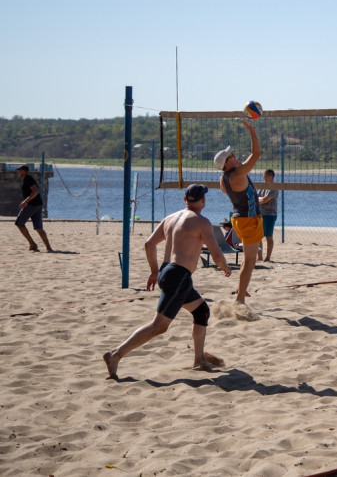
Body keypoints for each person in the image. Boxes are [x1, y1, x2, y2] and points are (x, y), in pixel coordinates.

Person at [102, 184, 232, 379]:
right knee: (159, 326)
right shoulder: (202, 222)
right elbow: (216, 253)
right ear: (203, 201)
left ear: (184, 199)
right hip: (178, 276)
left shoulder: (170, 218)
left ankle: (199, 360)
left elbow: (149, 244)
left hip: (168, 272)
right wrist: (225, 267)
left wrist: (154, 271)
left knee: (201, 311)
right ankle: (115, 354)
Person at [215, 119, 263, 303]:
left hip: (239, 219)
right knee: (250, 261)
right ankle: (240, 298)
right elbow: (256, 153)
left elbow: (233, 191)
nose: (235, 155)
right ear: (227, 164)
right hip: (248, 220)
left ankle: (241, 288)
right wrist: (251, 130)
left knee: (247, 258)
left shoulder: (224, 178)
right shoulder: (238, 174)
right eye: (231, 156)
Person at [15, 165, 53, 252]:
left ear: (24, 171)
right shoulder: (27, 179)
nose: (18, 172)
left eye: (19, 170)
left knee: (19, 223)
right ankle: (48, 247)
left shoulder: (28, 179)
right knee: (38, 227)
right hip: (38, 205)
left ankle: (33, 244)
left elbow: (36, 191)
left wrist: (25, 201)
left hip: (32, 205)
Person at [257, 169, 279, 262]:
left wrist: (259, 199)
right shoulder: (263, 186)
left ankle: (268, 258)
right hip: (260, 214)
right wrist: (259, 199)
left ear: (270, 176)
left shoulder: (274, 187)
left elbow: (264, 200)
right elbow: (256, 197)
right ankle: (260, 257)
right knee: (258, 237)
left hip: (270, 215)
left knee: (269, 237)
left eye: (264, 175)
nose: (263, 177)